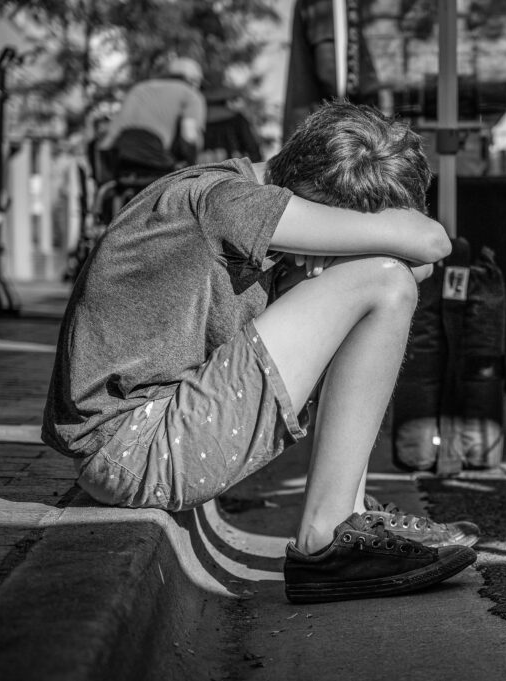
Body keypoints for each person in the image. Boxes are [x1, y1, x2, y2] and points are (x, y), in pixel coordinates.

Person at [42, 101, 479, 603]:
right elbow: (431, 242)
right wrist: (362, 257)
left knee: (385, 280)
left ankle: (348, 515)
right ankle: (327, 537)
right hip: (135, 450)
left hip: (138, 439)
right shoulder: (229, 202)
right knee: (384, 284)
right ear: (319, 206)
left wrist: (345, 253)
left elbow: (418, 261)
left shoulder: (233, 188)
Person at [99, 57, 207, 181]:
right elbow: (189, 135)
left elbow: (112, 132)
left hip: (114, 152)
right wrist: (193, 166)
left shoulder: (140, 87)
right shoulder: (191, 94)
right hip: (150, 151)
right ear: (193, 80)